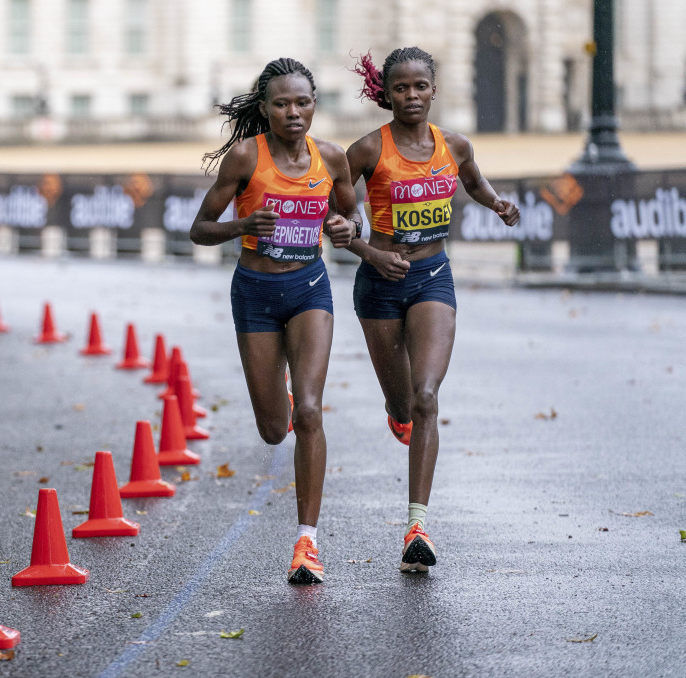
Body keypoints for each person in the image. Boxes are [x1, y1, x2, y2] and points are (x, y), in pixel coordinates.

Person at [344, 47, 520, 572]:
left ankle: (416, 525)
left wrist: (496, 203)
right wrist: (370, 251)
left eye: (421, 86)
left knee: (426, 397)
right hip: (378, 284)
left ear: (434, 89)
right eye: (401, 88)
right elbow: (338, 219)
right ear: (387, 94)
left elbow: (472, 179)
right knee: (402, 407)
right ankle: (397, 415)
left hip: (433, 277)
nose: (412, 96)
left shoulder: (455, 145)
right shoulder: (366, 151)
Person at [190, 57, 360, 584]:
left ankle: (306, 542)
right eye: (282, 103)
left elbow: (352, 218)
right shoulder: (245, 157)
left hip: (309, 288)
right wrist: (244, 222)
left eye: (303, 102)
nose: (293, 112)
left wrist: (343, 225)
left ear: (315, 106)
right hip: (257, 295)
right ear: (264, 109)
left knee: (309, 411)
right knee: (273, 429)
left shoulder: (331, 159)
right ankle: (279, 398)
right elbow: (199, 229)